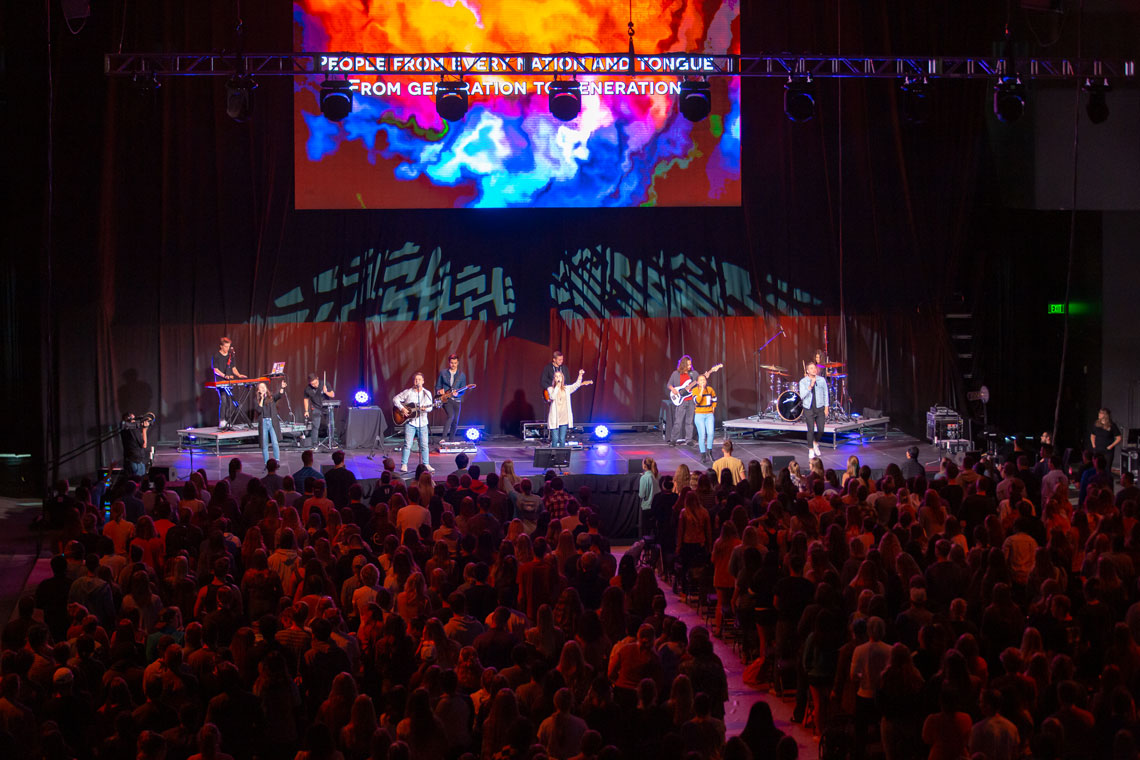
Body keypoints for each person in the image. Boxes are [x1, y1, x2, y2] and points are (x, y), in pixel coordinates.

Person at [393, 372, 435, 473]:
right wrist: (402, 408)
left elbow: (431, 407)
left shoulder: (427, 393)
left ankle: (426, 464)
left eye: (420, 379)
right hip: (410, 423)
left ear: (423, 381)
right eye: (416, 379)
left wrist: (425, 409)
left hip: (423, 422)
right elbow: (395, 399)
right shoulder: (408, 392)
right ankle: (404, 464)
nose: (418, 381)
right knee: (408, 444)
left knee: (424, 445)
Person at [546, 369, 592, 448]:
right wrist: (557, 386)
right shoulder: (551, 389)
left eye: (559, 376)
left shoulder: (567, 389)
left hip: (564, 418)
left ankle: (562, 457)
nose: (558, 378)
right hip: (555, 419)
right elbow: (552, 397)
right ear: (554, 379)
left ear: (562, 378)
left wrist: (580, 375)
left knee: (562, 439)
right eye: (556, 376)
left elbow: (576, 385)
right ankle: (553, 456)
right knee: (555, 439)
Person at [211, 337, 246, 428]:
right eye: (225, 346)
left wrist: (238, 375)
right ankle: (222, 420)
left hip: (229, 381)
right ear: (221, 346)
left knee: (230, 401)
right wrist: (225, 376)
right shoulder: (216, 356)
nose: (227, 348)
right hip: (220, 381)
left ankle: (228, 420)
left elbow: (233, 368)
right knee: (223, 400)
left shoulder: (230, 356)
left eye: (228, 346)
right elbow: (215, 370)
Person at [798, 361, 829, 458]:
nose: (814, 369)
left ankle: (815, 443)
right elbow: (802, 396)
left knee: (821, 430)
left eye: (814, 368)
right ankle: (811, 449)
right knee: (810, 430)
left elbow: (826, 394)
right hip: (808, 408)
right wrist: (810, 386)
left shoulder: (822, 380)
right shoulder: (803, 382)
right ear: (807, 371)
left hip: (820, 408)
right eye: (811, 368)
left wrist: (826, 407)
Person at [435, 354, 468, 443]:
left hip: (456, 400)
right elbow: (437, 386)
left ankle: (451, 439)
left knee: (455, 420)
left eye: (455, 363)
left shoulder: (461, 375)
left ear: (458, 363)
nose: (453, 365)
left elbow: (463, 389)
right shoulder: (443, 373)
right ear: (449, 363)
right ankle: (443, 438)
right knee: (450, 416)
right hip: (446, 399)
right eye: (451, 363)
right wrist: (439, 391)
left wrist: (458, 394)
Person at [666, 355, 698, 446]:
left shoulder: (694, 374)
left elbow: (699, 382)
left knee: (689, 422)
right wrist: (673, 389)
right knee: (678, 421)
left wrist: (703, 379)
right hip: (681, 401)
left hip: (691, 400)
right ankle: (673, 440)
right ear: (683, 365)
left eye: (690, 364)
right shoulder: (675, 374)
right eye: (688, 365)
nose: (689, 366)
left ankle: (689, 440)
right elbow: (669, 384)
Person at [255, 380, 285, 465]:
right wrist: (261, 399)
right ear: (258, 390)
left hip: (272, 422)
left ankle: (277, 461)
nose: (263, 388)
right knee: (265, 445)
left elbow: (279, 395)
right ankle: (266, 463)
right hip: (263, 423)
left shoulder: (271, 397)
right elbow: (259, 410)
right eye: (261, 387)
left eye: (264, 386)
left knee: (275, 442)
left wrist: (282, 387)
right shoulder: (256, 400)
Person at [691, 373, 718, 463]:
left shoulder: (710, 389)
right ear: (698, 382)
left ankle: (709, 452)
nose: (703, 382)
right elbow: (697, 401)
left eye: (704, 380)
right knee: (702, 435)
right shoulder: (694, 390)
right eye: (701, 380)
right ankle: (703, 454)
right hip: (699, 415)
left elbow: (714, 399)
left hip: (709, 414)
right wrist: (701, 391)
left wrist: (713, 409)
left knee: (710, 433)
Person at [303, 374, 335, 448]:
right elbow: (306, 399)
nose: (314, 385)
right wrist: (306, 411)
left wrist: (326, 392)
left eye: (316, 383)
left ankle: (331, 441)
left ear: (317, 378)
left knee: (330, 424)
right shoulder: (308, 389)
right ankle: (314, 443)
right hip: (316, 407)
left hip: (327, 406)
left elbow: (333, 395)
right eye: (312, 384)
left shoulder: (325, 383)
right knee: (315, 426)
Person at [120, 413, 150, 477]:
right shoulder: (133, 430)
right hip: (136, 462)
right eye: (133, 419)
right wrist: (145, 429)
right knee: (138, 483)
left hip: (131, 460)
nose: (135, 421)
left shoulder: (124, 429)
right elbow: (144, 444)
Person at [638, 458, 659, 538]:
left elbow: (641, 495)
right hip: (655, 507)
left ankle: (647, 548)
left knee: (646, 531)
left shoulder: (644, 477)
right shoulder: (656, 475)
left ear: (645, 466)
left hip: (647, 507)